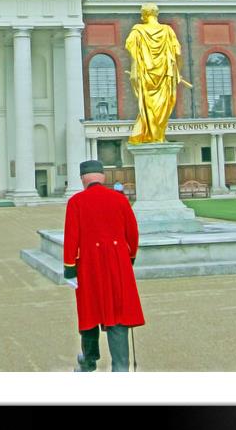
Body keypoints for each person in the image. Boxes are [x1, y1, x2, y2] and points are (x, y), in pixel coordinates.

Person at [63, 159, 145, 372]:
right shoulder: (119, 199)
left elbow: (71, 238)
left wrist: (70, 269)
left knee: (89, 312)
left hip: (89, 265)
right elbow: (133, 234)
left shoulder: (76, 201)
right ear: (103, 177)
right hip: (118, 263)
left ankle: (89, 362)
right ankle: (120, 367)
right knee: (118, 313)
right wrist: (130, 258)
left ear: (83, 179)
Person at [124, 2, 190, 144]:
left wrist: (134, 71)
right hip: (166, 76)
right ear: (156, 14)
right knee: (163, 108)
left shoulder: (137, 31)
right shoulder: (168, 31)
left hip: (146, 76)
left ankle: (153, 137)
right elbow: (178, 53)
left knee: (149, 107)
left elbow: (133, 52)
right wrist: (178, 72)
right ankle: (158, 137)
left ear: (144, 15)